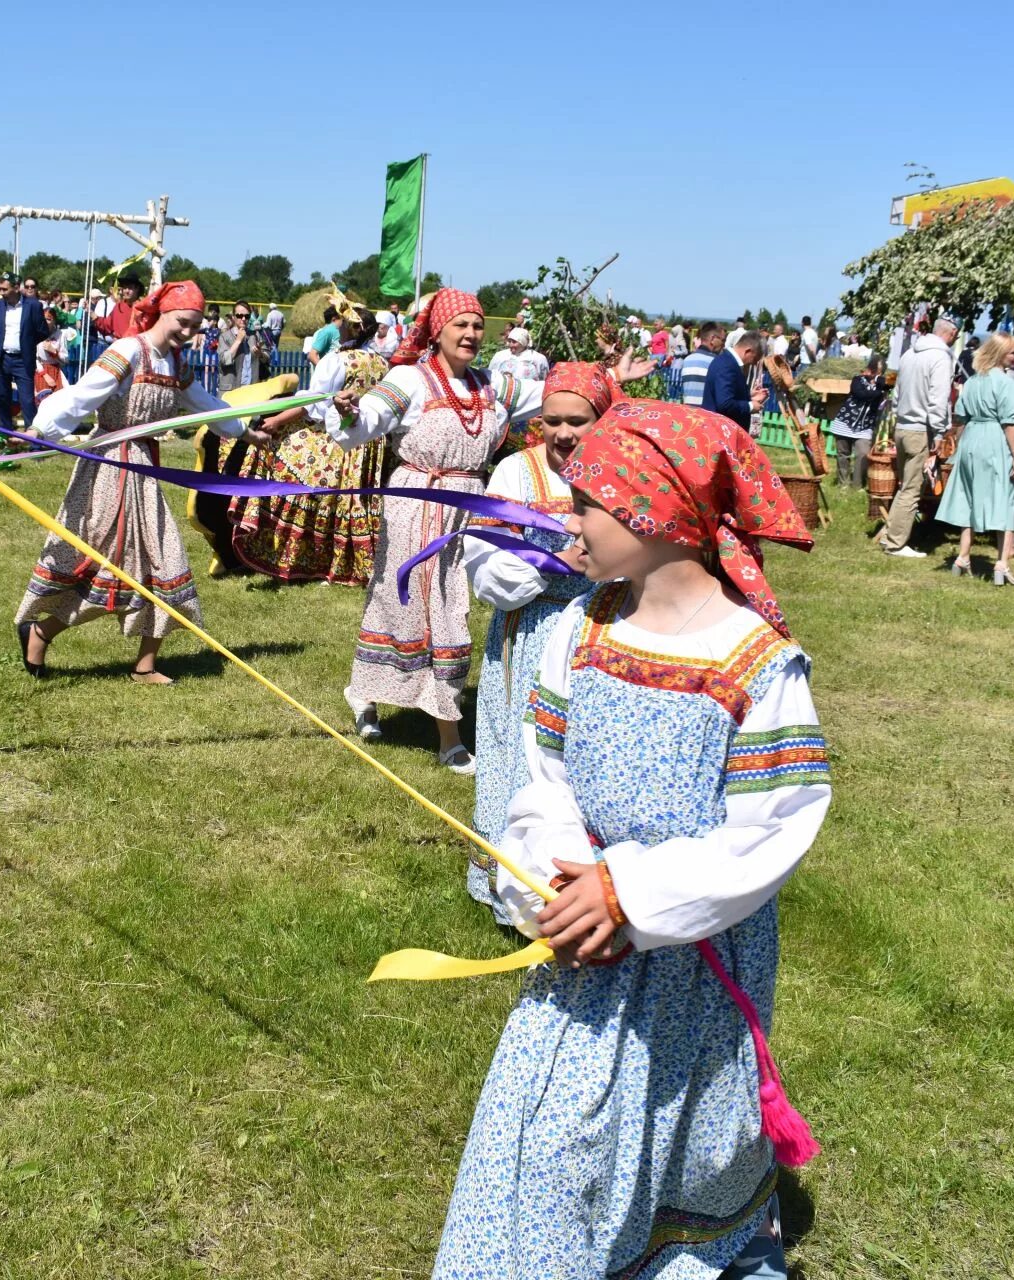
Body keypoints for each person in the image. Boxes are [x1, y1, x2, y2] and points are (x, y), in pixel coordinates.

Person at [438, 397, 826, 1280]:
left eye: (586, 503)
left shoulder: (753, 663)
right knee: (546, 1146)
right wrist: (550, 876)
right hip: (582, 955)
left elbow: (770, 828)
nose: (567, 519)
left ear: (654, 512)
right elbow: (542, 779)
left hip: (691, 957)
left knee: (680, 1133)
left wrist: (632, 896)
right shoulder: (580, 631)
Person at [324, 288, 549, 772]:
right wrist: (348, 411)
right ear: (438, 331)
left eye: (476, 326)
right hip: (417, 502)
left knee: (447, 607)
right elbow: (366, 421)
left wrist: (611, 378)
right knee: (407, 603)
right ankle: (442, 732)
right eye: (460, 325)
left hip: (469, 507)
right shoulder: (411, 379)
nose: (470, 334)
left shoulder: (494, 385)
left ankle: (376, 695)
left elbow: (555, 395)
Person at [17, 280, 246, 684]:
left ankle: (145, 666)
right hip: (110, 466)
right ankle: (40, 631)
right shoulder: (127, 351)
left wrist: (246, 430)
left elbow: (207, 406)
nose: (188, 333)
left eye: (195, 326)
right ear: (162, 313)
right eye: (182, 323)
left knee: (164, 560)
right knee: (104, 563)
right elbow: (82, 397)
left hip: (144, 469)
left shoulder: (175, 363)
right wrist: (42, 428)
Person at [460, 363, 607, 919]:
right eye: (553, 421)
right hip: (533, 633)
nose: (564, 433)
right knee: (525, 756)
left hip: (602, 635)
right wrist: (555, 564)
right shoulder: (515, 475)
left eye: (579, 421)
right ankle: (521, 894)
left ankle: (585, 893)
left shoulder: (620, 475)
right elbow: (488, 573)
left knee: (585, 760)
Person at [229, 293, 390, 585]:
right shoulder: (382, 363)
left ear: (350, 328)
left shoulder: (336, 361)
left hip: (340, 438)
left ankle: (312, 558)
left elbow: (314, 404)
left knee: (297, 477)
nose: (337, 325)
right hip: (371, 447)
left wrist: (277, 421)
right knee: (353, 503)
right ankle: (352, 562)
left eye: (341, 321)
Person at [936, 334, 1014, 584]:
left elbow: (961, 417)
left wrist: (959, 448)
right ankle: (1002, 563)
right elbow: (1009, 423)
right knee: (1006, 500)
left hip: (971, 440)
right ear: (1000, 353)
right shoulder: (1005, 383)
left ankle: (963, 556)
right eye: (1013, 353)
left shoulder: (973, 381)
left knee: (970, 497)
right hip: (994, 441)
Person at [877, 316, 958, 557]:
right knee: (911, 490)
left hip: (902, 425)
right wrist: (939, 433)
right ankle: (896, 543)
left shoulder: (909, 354)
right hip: (921, 429)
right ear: (951, 334)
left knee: (904, 488)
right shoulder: (941, 358)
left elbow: (897, 393)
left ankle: (890, 535)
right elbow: (939, 399)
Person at [0, 272, 49, 435]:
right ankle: (6, 436)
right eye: (0, 289)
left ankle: (33, 440)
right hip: (1, 358)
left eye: (5, 289)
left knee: (26, 400)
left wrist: (27, 342)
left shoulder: (33, 305)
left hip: (22, 359)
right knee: (2, 398)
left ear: (16, 288)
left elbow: (43, 331)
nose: (1, 292)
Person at [827, 355, 887, 486]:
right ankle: (843, 483)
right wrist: (878, 392)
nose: (874, 373)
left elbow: (878, 400)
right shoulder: (858, 380)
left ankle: (857, 484)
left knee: (863, 453)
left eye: (879, 372)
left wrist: (880, 386)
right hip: (845, 422)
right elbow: (860, 394)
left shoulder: (881, 386)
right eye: (874, 370)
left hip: (865, 427)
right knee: (843, 454)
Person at [701, 330, 768, 432]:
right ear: (748, 351)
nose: (753, 364)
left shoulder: (727, 362)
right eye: (755, 359)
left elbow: (727, 395)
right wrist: (750, 406)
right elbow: (724, 404)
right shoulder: (727, 366)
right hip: (720, 432)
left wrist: (749, 396)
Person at [680, 321, 724, 407]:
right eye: (722, 340)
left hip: (689, 414)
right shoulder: (716, 362)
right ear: (713, 339)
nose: (723, 344)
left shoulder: (687, 360)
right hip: (707, 415)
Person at [217, 302, 255, 392]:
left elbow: (267, 357)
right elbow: (224, 360)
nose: (243, 318)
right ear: (233, 317)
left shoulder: (254, 335)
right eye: (239, 315)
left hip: (251, 391)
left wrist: (261, 354)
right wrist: (238, 341)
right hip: (230, 390)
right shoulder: (225, 337)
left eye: (247, 316)